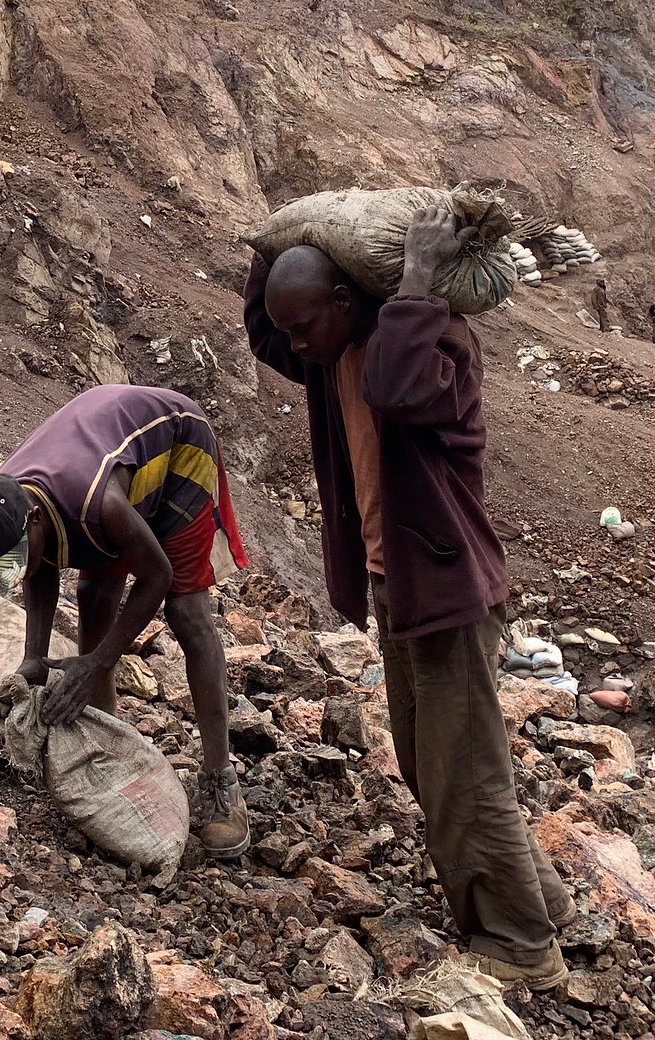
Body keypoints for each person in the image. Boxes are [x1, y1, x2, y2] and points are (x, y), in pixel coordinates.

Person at [243, 207, 574, 990]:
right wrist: (270, 251)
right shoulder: (336, 351)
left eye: (306, 328)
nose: (295, 347)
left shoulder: (439, 348)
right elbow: (266, 332)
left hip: (450, 593)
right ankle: (544, 900)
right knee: (437, 767)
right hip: (402, 588)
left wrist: (419, 277)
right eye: (293, 333)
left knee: (464, 773)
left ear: (348, 304)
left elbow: (396, 392)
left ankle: (521, 944)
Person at [0, 384, 253, 858]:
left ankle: (220, 779)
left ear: (32, 520)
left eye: (12, 558)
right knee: (93, 596)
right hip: (112, 460)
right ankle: (111, 750)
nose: (10, 572)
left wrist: (96, 662)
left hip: (178, 449)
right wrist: (33, 659)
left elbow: (157, 576)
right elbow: (40, 568)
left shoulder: (99, 504)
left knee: (186, 612)